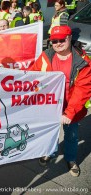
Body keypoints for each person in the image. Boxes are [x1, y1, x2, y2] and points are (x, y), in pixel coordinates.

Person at [32, 26, 91, 177]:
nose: (58, 43)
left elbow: (82, 90)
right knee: (50, 133)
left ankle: (70, 159)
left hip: (71, 109)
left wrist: (69, 113)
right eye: (54, 41)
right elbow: (32, 76)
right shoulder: (45, 56)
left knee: (71, 135)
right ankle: (50, 153)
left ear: (70, 38)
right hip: (50, 107)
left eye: (62, 39)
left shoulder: (83, 62)